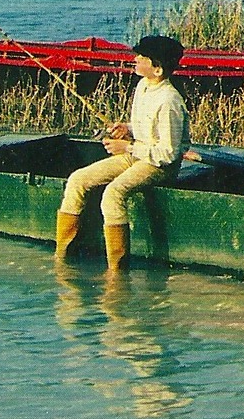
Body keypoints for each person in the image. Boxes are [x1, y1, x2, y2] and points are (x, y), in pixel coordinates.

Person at [55, 35, 189, 272]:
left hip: (158, 166)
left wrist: (127, 147)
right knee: (77, 180)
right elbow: (146, 129)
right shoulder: (143, 86)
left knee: (113, 194)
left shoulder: (170, 101)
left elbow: (168, 153)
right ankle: (62, 257)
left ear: (157, 69)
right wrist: (126, 128)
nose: (135, 60)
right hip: (137, 155)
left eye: (142, 58)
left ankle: (116, 271)